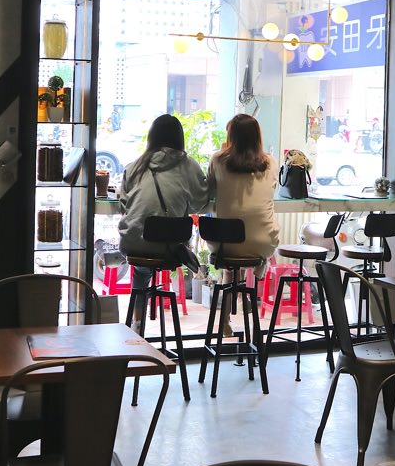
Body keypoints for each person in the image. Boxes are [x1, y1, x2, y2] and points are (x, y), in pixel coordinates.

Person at [117, 114, 208, 331]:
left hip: (134, 244)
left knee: (142, 269)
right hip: (170, 245)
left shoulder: (135, 166)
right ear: (179, 139)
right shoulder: (189, 166)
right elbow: (200, 203)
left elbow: (123, 204)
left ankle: (137, 325)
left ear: (151, 137)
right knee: (158, 250)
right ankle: (143, 325)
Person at [206, 114, 280, 279]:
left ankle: (230, 285)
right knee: (251, 232)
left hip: (224, 244)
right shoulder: (271, 162)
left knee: (229, 250)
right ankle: (246, 288)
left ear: (231, 137)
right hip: (262, 243)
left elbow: (209, 191)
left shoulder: (217, 160)